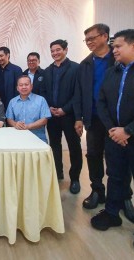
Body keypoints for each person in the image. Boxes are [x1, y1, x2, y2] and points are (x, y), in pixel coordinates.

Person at [91, 28, 134, 255]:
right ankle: (112, 213)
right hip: (114, 137)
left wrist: (129, 130)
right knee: (114, 177)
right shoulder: (112, 72)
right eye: (113, 46)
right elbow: (101, 102)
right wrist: (113, 130)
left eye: (118, 46)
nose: (113, 50)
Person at [74, 23, 134, 221]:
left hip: (117, 121)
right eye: (87, 40)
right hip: (93, 118)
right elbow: (79, 92)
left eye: (92, 38)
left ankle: (124, 198)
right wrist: (78, 117)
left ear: (104, 36)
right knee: (93, 155)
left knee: (119, 159)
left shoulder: (119, 59)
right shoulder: (85, 64)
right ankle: (97, 190)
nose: (89, 43)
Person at [40, 39, 82, 194]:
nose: (55, 53)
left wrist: (65, 109)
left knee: (74, 146)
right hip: (52, 115)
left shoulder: (76, 68)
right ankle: (58, 173)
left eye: (58, 50)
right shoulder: (47, 70)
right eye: (52, 51)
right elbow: (43, 91)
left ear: (66, 50)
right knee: (55, 145)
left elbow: (78, 93)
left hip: (69, 115)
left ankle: (75, 178)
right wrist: (49, 107)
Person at [6, 75, 51, 142]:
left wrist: (28, 126)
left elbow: (44, 120)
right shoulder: (12, 102)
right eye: (21, 85)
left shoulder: (41, 100)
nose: (24, 87)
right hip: (17, 138)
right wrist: (15, 124)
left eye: (26, 84)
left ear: (31, 86)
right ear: (17, 88)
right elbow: (9, 119)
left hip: (38, 138)